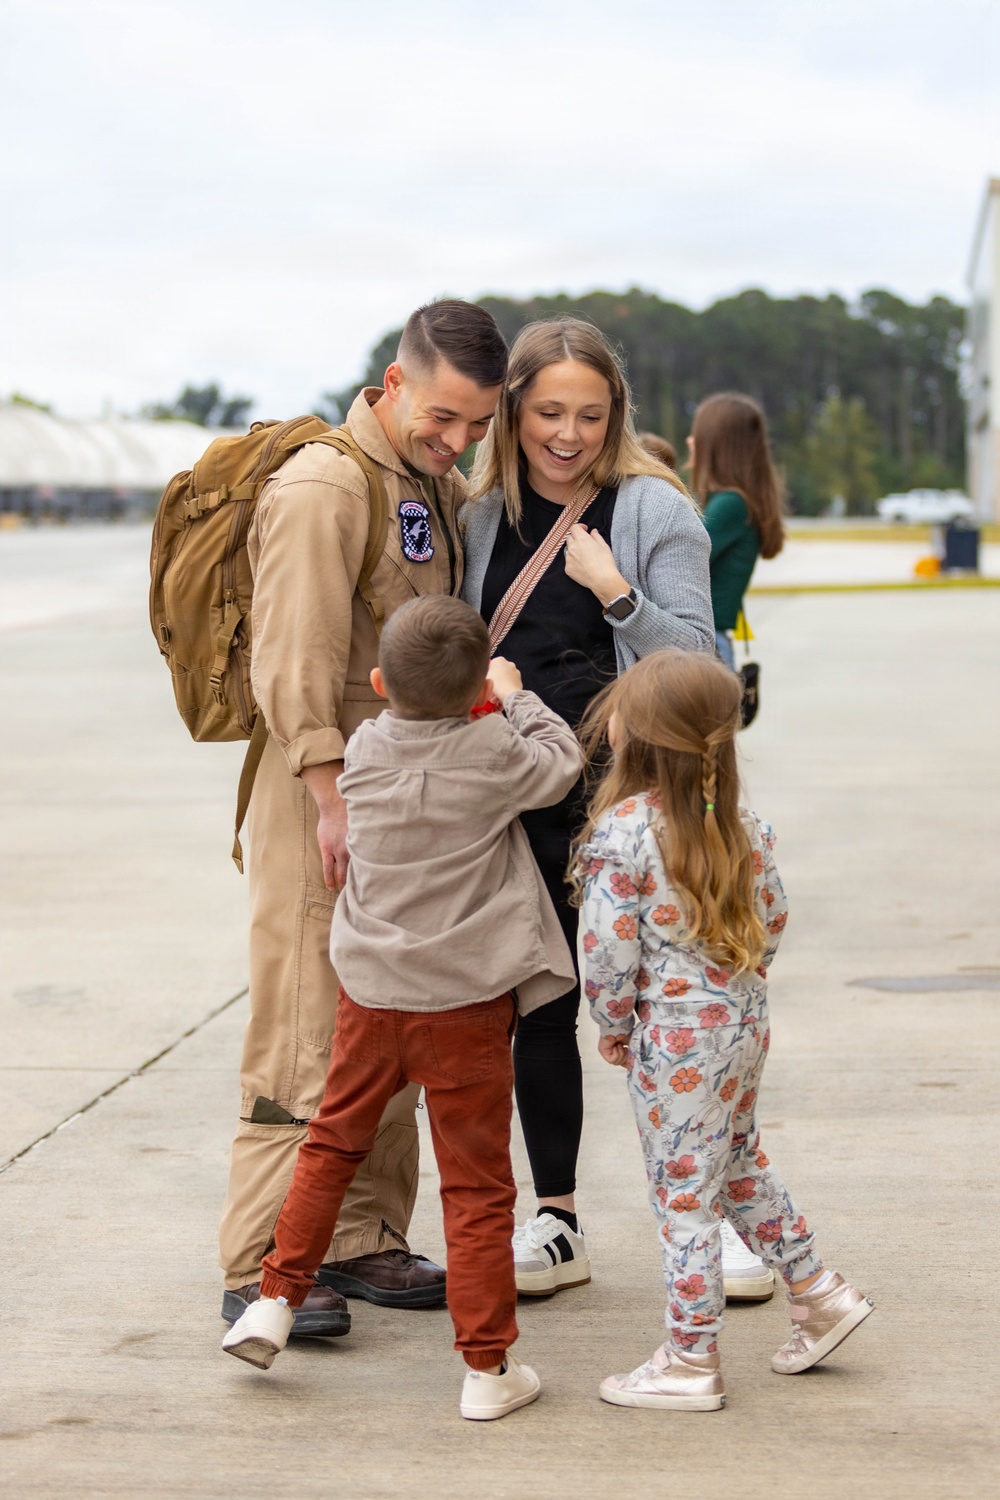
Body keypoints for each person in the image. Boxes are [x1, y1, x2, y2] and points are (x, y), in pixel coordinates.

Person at [218, 300, 509, 1337]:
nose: (458, 440)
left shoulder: (421, 478)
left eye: (475, 426)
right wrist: (328, 794)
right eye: (441, 417)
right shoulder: (325, 484)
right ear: (393, 381)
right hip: (322, 791)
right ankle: (260, 1262)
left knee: (386, 1008)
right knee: (305, 1015)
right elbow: (288, 658)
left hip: (394, 792)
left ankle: (360, 1241)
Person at [221, 596, 583, 1421]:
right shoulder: (496, 748)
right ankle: (488, 1370)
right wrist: (513, 693)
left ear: (381, 683)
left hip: (371, 999)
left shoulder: (367, 750)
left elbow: (420, 720)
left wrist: (472, 697)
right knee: (478, 1188)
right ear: (477, 695)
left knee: (330, 1145)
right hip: (465, 1007)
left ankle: (274, 1299)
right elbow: (559, 761)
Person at [461, 317, 714, 1296]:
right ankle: (556, 1221)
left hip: (631, 808)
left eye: (589, 414)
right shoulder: (482, 516)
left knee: (671, 1012)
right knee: (542, 1006)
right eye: (547, 412)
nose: (566, 434)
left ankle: (715, 1213)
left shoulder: (652, 510)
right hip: (520, 801)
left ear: (616, 417)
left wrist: (615, 593)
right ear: (514, 411)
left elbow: (704, 668)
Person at [575, 649, 874, 1411]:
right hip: (742, 1024)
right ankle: (818, 1292)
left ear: (633, 733)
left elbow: (608, 949)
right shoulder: (744, 825)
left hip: (672, 1042)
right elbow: (771, 923)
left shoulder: (623, 835)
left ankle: (690, 1357)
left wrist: (611, 1022)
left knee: (683, 1198)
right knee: (737, 1162)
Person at [686, 393, 785, 669]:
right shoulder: (738, 502)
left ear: (717, 445)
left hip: (705, 648)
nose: (690, 441)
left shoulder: (731, 504)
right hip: (714, 645)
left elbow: (680, 558)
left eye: (698, 434)